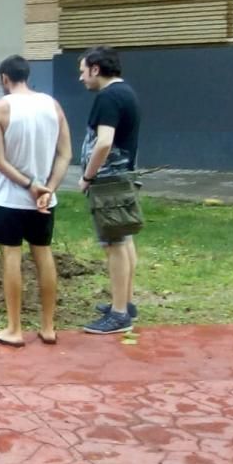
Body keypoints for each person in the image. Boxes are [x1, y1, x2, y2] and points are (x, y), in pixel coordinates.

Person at [0, 55, 71, 348]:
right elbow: (65, 154)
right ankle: (48, 326)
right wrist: (48, 188)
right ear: (27, 76)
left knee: (11, 256)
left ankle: (14, 328)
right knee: (43, 255)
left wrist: (29, 185)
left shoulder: (0, 108)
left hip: (10, 198)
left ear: (4, 79)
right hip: (45, 201)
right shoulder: (52, 105)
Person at [77, 46, 142, 335]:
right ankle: (125, 304)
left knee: (114, 244)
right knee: (124, 240)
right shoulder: (126, 92)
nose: (81, 78)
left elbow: (104, 142)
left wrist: (89, 176)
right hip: (123, 177)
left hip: (109, 181)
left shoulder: (108, 97)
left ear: (95, 69)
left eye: (82, 71)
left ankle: (118, 315)